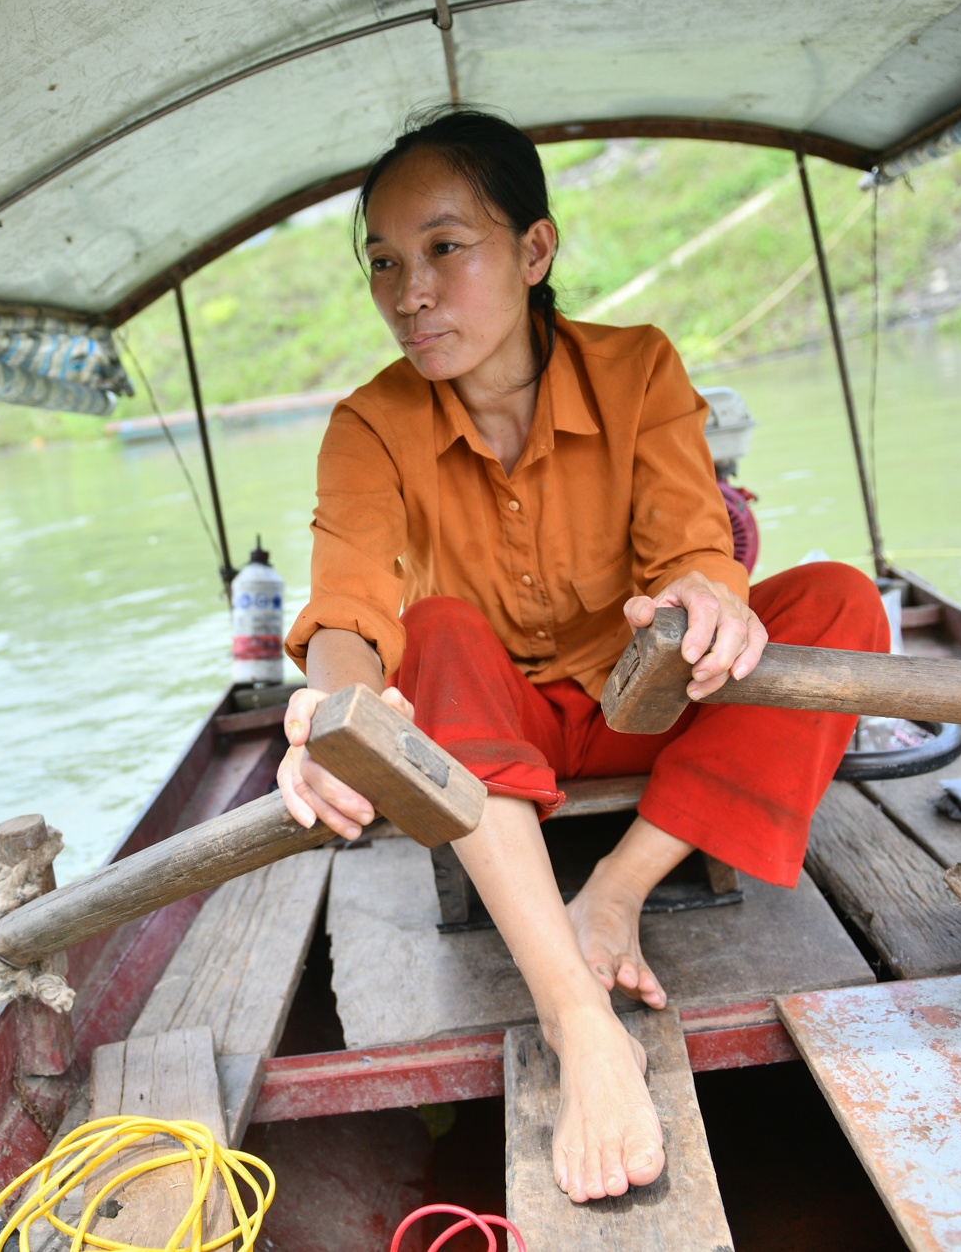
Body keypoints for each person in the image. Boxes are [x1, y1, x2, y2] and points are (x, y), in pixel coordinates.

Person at [275, 110, 888, 1204]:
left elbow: (692, 543)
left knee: (839, 600)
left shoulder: (636, 367)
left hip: (643, 702)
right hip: (490, 733)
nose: (410, 292)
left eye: (444, 248)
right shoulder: (368, 424)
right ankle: (577, 1018)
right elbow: (348, 614)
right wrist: (335, 718)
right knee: (438, 627)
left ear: (534, 250)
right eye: (384, 262)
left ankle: (614, 888)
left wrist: (705, 595)